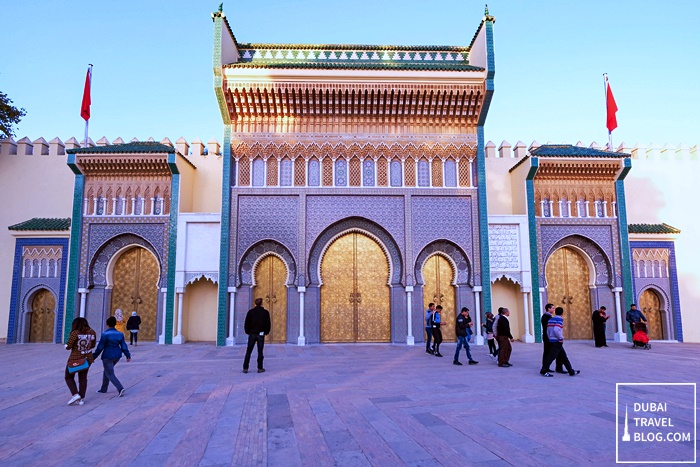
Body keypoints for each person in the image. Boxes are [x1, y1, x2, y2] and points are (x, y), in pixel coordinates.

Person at [93, 316, 131, 396]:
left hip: (107, 356)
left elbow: (100, 347)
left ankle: (120, 388)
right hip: (117, 355)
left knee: (109, 372)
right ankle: (104, 388)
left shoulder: (105, 334)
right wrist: (127, 355)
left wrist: (93, 357)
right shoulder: (120, 334)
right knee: (107, 370)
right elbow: (123, 346)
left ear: (107, 324)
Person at [540, 307, 580, 377]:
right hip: (557, 341)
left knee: (563, 356)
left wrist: (550, 337)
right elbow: (556, 329)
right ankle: (544, 370)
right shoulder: (559, 319)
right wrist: (560, 337)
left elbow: (548, 330)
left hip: (552, 340)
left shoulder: (551, 319)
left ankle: (571, 371)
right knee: (551, 357)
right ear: (562, 313)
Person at [65, 317, 96, 406]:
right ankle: (81, 399)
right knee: (83, 378)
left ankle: (75, 395)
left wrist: (66, 346)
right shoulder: (92, 332)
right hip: (87, 358)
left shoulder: (75, 333)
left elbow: (68, 346)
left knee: (69, 377)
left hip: (75, 358)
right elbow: (93, 345)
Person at [243, 298, 271, 373]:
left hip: (252, 334)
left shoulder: (250, 312)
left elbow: (246, 323)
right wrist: (266, 332)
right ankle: (260, 368)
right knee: (260, 351)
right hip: (260, 334)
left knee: (248, 351)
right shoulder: (265, 313)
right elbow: (268, 324)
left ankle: (245, 368)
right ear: (261, 303)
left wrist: (248, 332)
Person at [541, 303, 564, 373]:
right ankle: (545, 368)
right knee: (550, 353)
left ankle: (556, 367)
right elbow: (551, 329)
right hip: (550, 338)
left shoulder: (548, 317)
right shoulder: (546, 317)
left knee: (555, 353)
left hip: (549, 337)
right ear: (549, 309)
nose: (554, 310)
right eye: (553, 308)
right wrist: (559, 337)